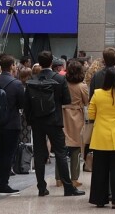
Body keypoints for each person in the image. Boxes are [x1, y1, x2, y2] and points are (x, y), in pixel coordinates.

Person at [24, 52, 83, 198]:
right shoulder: (59, 79)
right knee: (61, 153)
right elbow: (66, 100)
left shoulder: (32, 80)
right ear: (52, 62)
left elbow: (27, 104)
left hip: (37, 121)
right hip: (54, 120)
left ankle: (41, 187)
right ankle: (68, 187)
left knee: (38, 154)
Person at [86, 66, 115, 207]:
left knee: (100, 169)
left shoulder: (97, 93)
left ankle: (99, 199)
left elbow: (91, 114)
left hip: (101, 135)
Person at [0, 55, 26, 197]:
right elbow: (22, 104)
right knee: (8, 154)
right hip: (11, 123)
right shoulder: (16, 84)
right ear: (11, 66)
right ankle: (3, 184)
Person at [61, 60, 91, 190]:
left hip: (62, 115)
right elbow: (86, 102)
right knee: (76, 148)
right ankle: (74, 179)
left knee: (61, 148)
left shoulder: (63, 83)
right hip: (76, 117)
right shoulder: (82, 86)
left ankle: (59, 179)